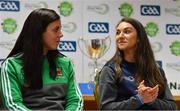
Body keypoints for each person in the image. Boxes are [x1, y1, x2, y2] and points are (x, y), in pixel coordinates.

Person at [0, 8, 83, 110]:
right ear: (38, 32)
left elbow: (75, 101)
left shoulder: (65, 63)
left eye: (60, 29)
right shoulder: (11, 65)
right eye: (56, 30)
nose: (61, 34)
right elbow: (12, 104)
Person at [98, 17, 177, 110]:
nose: (120, 36)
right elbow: (106, 108)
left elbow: (172, 107)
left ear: (139, 37)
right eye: (118, 32)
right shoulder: (110, 69)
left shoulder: (156, 69)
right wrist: (139, 99)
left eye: (126, 32)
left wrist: (151, 100)